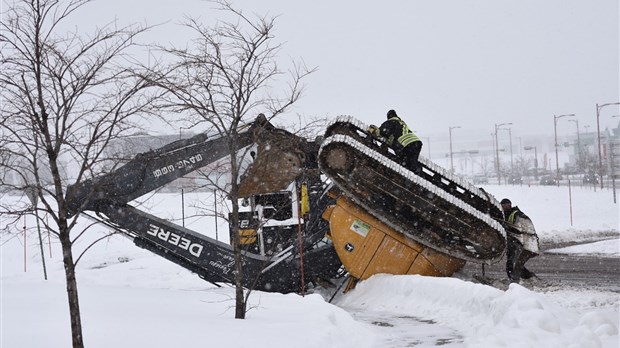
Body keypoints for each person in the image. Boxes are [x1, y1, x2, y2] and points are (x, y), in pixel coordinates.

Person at [500, 198, 539, 283]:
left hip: (517, 243)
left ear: (509, 205)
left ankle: (514, 281)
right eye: (502, 206)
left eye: (505, 205)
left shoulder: (515, 214)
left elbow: (517, 227)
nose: (504, 207)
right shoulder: (506, 214)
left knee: (512, 263)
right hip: (513, 242)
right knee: (516, 263)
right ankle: (528, 277)